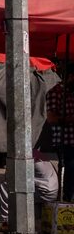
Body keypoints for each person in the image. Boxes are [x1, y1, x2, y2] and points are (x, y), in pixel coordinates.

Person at [0, 149, 58, 221]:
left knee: (5, 185)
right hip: (51, 191)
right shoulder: (35, 153)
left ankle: (4, 219)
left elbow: (10, 176)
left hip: (44, 192)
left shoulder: (24, 156)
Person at [47, 63, 74, 201]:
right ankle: (67, 200)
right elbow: (51, 119)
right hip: (65, 140)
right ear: (70, 77)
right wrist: (69, 119)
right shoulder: (55, 93)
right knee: (70, 169)